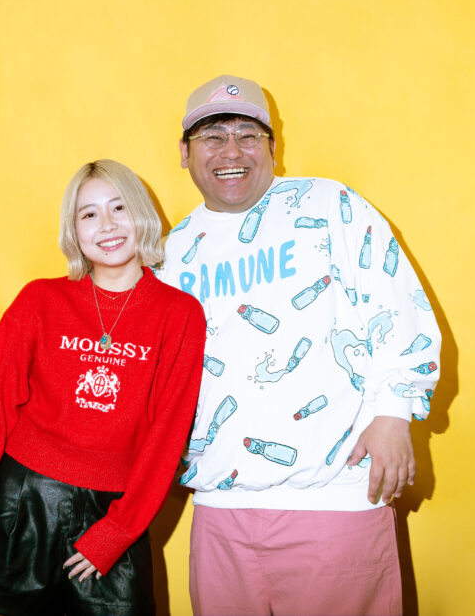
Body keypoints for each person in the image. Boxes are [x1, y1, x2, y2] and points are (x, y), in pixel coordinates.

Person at [157, 75, 442, 616]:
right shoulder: (170, 254)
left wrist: (394, 411)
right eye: (212, 137)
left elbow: (395, 302)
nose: (231, 151)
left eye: (248, 135)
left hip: (333, 499)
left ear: (272, 146)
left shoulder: (329, 205)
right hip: (219, 509)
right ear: (185, 152)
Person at [0, 159, 206, 616]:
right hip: (22, 502)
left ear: (141, 213)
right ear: (74, 229)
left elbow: (168, 435)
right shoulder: (40, 300)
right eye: (89, 213)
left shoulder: (179, 314)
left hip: (116, 511)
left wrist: (119, 530)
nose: (106, 225)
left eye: (119, 208)